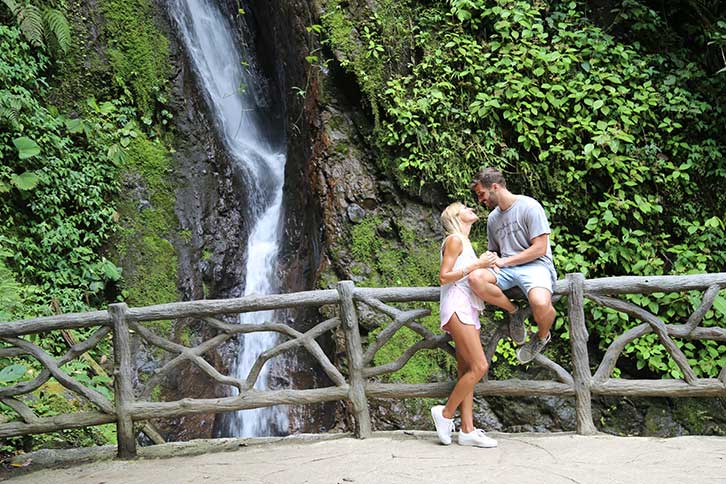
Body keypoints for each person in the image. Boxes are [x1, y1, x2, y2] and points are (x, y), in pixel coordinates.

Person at [468, 167, 558, 364]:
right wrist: (490, 258)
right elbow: (496, 253)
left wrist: (505, 261)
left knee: (541, 303)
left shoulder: (529, 206)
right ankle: (514, 313)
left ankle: (542, 337)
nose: (480, 200)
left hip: (536, 266)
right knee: (475, 279)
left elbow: (540, 248)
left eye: (481, 194)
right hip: (506, 270)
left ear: (495, 187)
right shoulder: (492, 218)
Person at [430, 202, 498, 448]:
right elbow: (443, 276)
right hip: (457, 306)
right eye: (465, 207)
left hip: (469, 307)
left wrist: (485, 264)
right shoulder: (454, 240)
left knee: (467, 369)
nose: (471, 208)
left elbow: (469, 272)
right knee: (480, 366)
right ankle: (445, 414)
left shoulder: (465, 243)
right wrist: (477, 265)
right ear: (455, 217)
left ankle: (467, 430)